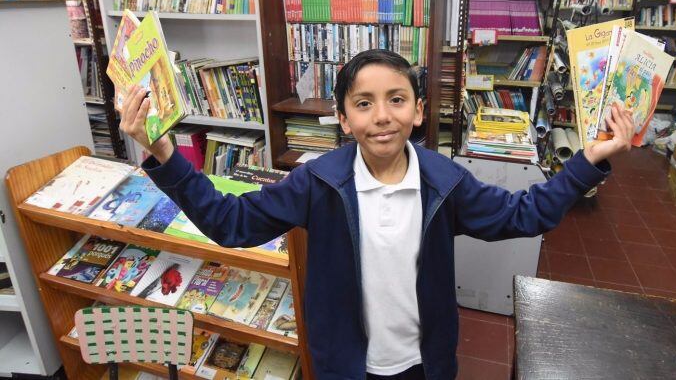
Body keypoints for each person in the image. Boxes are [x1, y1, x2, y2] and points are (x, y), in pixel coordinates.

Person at [119, 49, 634, 380]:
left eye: (397, 100)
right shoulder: (318, 181)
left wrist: (590, 159)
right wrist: (164, 154)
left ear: (419, 111)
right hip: (346, 364)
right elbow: (231, 224)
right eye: (363, 104)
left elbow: (527, 214)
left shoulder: (444, 181)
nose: (382, 115)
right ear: (343, 118)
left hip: (423, 364)